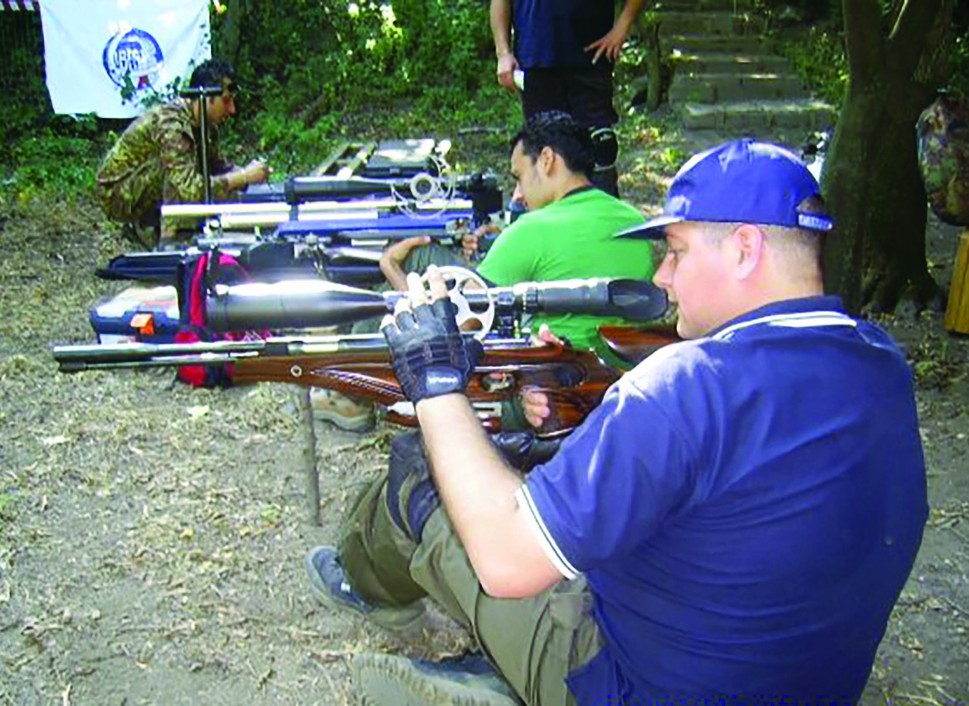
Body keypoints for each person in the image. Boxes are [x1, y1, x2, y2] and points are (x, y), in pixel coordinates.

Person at [305, 138, 929, 705]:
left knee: (423, 476)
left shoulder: (687, 384)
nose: (660, 275)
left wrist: (437, 384)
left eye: (676, 252)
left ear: (745, 248)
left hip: (630, 684)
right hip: (795, 678)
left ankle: (390, 604)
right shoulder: (879, 364)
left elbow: (505, 558)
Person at [313, 111, 655, 432]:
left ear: (548, 160)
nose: (518, 195)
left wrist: (393, 272)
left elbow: (463, 324)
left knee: (415, 257)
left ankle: (351, 396)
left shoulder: (532, 230)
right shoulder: (635, 220)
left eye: (519, 177)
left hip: (543, 395)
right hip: (613, 381)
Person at [95, 58, 270, 248]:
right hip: (119, 193)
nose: (232, 109)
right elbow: (188, 188)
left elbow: (217, 167)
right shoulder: (172, 125)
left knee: (216, 180)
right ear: (205, 97)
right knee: (177, 173)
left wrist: (250, 174)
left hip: (146, 184)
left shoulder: (205, 124)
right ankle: (171, 242)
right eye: (226, 101)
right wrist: (242, 177)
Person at [490, 0, 647, 197]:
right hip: (535, 59)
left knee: (600, 151)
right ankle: (549, 224)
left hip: (591, 58)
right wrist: (503, 53)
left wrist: (622, 28)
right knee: (544, 154)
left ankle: (604, 223)